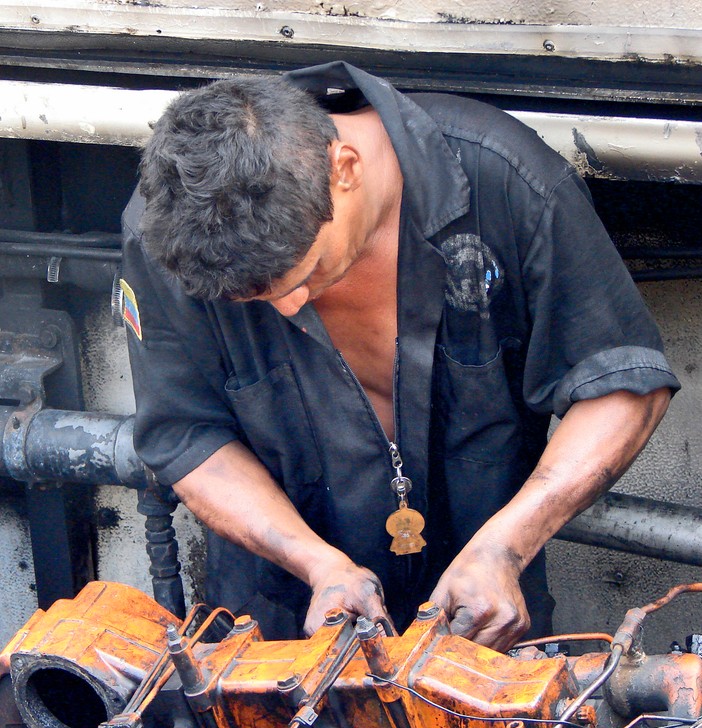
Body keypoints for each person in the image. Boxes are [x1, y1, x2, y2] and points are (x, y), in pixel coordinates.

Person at [121, 61, 679, 651]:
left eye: (305, 276)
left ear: (344, 170)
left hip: (483, 621)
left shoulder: (507, 180)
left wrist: (505, 547)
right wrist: (318, 566)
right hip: (278, 618)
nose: (287, 310)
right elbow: (188, 435)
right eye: (258, 299)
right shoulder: (166, 232)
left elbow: (622, 388)